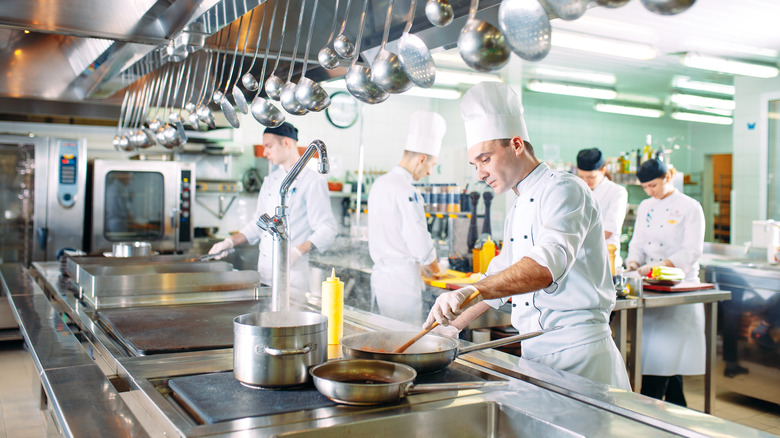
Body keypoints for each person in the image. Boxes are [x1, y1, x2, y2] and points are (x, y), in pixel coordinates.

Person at [423, 82, 631, 390]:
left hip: (580, 358)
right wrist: (450, 326)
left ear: (517, 144)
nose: (479, 173)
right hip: (537, 355)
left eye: (485, 159)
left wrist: (469, 292)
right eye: (474, 164)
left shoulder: (565, 189)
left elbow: (543, 268)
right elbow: (501, 277)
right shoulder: (519, 204)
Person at [209, 122, 338, 291]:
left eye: (269, 146)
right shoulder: (271, 181)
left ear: (286, 143)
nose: (264, 152)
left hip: (292, 279)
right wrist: (229, 242)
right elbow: (258, 223)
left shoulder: (312, 181)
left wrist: (297, 252)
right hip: (264, 275)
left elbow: (328, 228)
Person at [625, 157, 706, 406]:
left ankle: (650, 415)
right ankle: (676, 415)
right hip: (650, 292)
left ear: (668, 177)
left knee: (663, 363)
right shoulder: (646, 207)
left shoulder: (690, 207)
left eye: (654, 186)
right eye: (645, 187)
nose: (650, 192)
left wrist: (661, 266)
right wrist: (633, 264)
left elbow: (692, 250)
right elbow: (637, 243)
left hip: (677, 291)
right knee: (660, 363)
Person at [368, 111, 447, 325]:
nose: (430, 172)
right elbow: (418, 237)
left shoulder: (380, 183)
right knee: (403, 343)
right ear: (422, 159)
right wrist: (437, 271)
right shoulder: (406, 190)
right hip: (401, 285)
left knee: (384, 340)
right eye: (432, 164)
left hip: (382, 280)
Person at [576, 148, 628, 269]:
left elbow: (609, 229)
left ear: (603, 170)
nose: (585, 181)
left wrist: (575, 240)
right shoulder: (577, 189)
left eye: (591, 177)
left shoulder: (617, 192)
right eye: (582, 177)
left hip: (605, 259)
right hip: (578, 259)